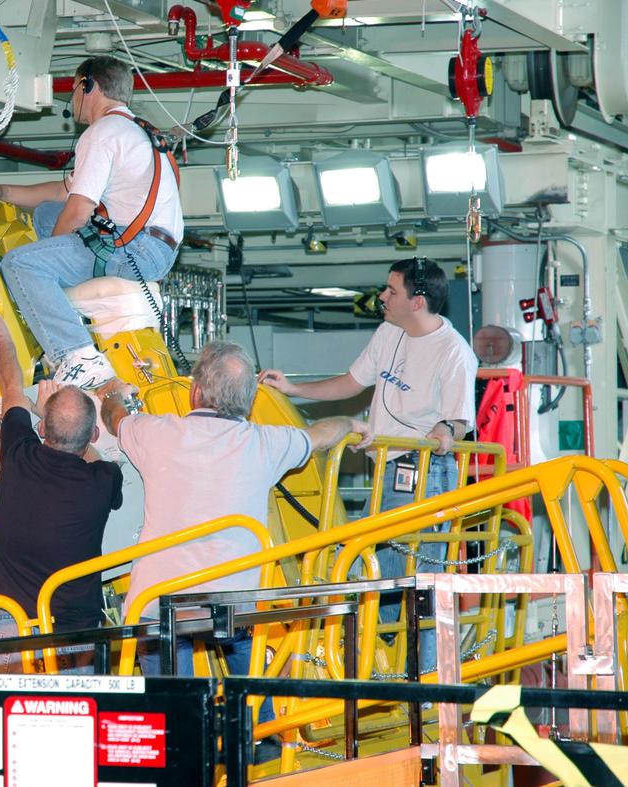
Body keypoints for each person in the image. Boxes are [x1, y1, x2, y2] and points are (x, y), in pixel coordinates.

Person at [258, 257, 478, 671]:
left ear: (417, 301)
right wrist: (292, 388)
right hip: (388, 474)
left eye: (391, 290)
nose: (382, 296)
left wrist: (445, 431)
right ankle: (386, 677)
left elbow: (460, 422)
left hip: (425, 474)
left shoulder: (455, 353)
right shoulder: (387, 333)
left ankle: (426, 690)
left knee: (419, 584)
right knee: (378, 576)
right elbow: (352, 382)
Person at [99, 342, 369, 678]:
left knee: (170, 702)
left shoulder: (155, 433)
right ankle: (261, 724)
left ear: (195, 392)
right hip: (232, 604)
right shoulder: (266, 443)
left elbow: (115, 419)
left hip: (158, 603)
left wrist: (113, 395)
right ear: (249, 400)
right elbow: (319, 435)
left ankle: (179, 722)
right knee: (249, 666)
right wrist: (351, 423)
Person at [0, 55, 182, 390]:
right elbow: (63, 193)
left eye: (74, 89)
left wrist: (46, 255)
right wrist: (3, 191)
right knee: (45, 212)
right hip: (151, 247)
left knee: (21, 264)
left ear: (89, 86)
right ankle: (58, 308)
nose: (72, 99)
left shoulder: (102, 134)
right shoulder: (132, 130)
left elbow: (79, 211)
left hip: (136, 250)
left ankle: (76, 356)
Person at [0, 303, 124, 671]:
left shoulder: (18, 455)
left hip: (9, 626)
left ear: (41, 430)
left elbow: (10, 388)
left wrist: (4, 340)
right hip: (73, 640)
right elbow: (94, 456)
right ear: (92, 434)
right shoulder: (103, 481)